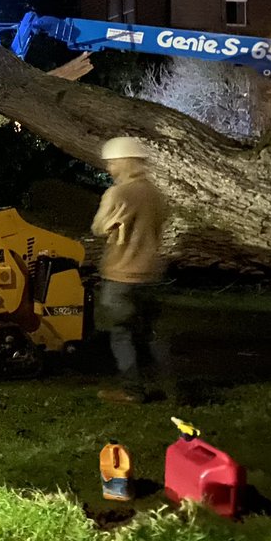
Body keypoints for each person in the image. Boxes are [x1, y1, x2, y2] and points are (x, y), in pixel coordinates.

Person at [91, 136, 169, 404]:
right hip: (151, 273)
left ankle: (132, 391)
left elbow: (99, 227)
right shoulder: (156, 195)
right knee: (151, 334)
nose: (110, 169)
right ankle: (174, 390)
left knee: (121, 334)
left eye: (112, 163)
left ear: (124, 162)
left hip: (120, 275)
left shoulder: (118, 194)